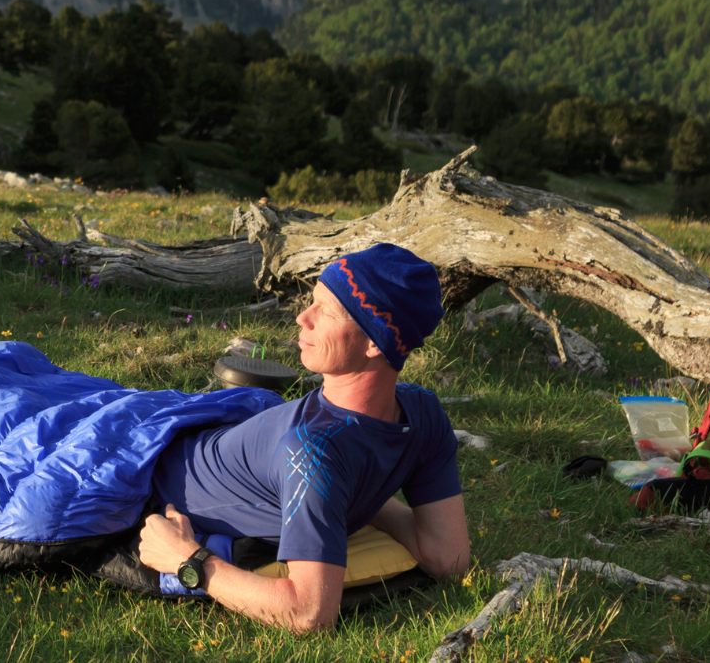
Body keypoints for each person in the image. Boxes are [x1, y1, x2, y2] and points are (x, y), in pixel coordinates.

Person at [136, 243, 470, 632]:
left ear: (375, 342)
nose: (301, 317)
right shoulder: (325, 448)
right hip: (161, 471)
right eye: (312, 302)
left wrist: (190, 561)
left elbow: (447, 560)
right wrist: (189, 557)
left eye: (325, 310)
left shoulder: (417, 419)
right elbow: (310, 612)